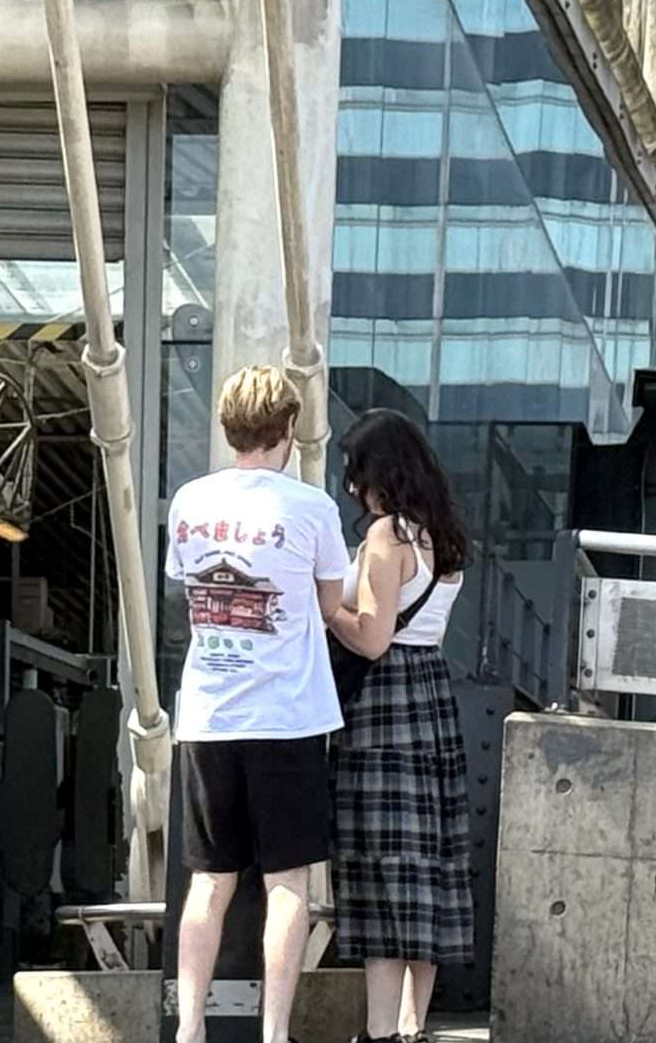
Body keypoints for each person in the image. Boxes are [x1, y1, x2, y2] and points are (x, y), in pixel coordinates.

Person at [165, 365, 351, 1043]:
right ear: (291, 427)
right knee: (287, 885)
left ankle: (189, 1028)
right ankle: (273, 1032)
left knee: (208, 882)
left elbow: (184, 590)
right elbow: (334, 607)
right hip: (289, 717)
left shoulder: (189, 502)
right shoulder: (312, 509)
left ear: (227, 426)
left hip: (209, 715)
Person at [326, 410, 475, 1043]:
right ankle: (413, 1025)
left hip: (384, 706)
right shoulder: (443, 533)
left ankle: (381, 1032)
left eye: (356, 474)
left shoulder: (385, 536)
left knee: (381, 866)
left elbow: (373, 637)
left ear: (375, 473)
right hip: (433, 697)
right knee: (426, 867)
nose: (354, 489)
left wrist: (326, 606)